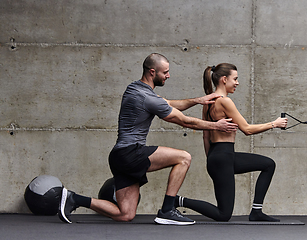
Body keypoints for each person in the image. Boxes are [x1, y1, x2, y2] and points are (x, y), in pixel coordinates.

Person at [58, 53, 238, 225]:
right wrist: (216, 125)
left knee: (125, 214)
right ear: (153, 72)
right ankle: (168, 209)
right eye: (165, 72)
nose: (168, 75)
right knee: (184, 157)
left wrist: (198, 100)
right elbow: (183, 121)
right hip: (131, 152)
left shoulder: (135, 88)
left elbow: (168, 103)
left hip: (119, 156)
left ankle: (74, 198)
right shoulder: (146, 97)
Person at [174, 63, 287, 222]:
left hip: (220, 156)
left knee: (268, 164)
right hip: (223, 157)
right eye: (235, 79)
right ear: (224, 79)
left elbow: (206, 137)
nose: (237, 83)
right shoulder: (225, 102)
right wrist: (274, 124)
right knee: (223, 214)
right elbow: (246, 129)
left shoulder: (207, 103)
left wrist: (211, 160)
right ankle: (177, 200)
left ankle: (256, 212)